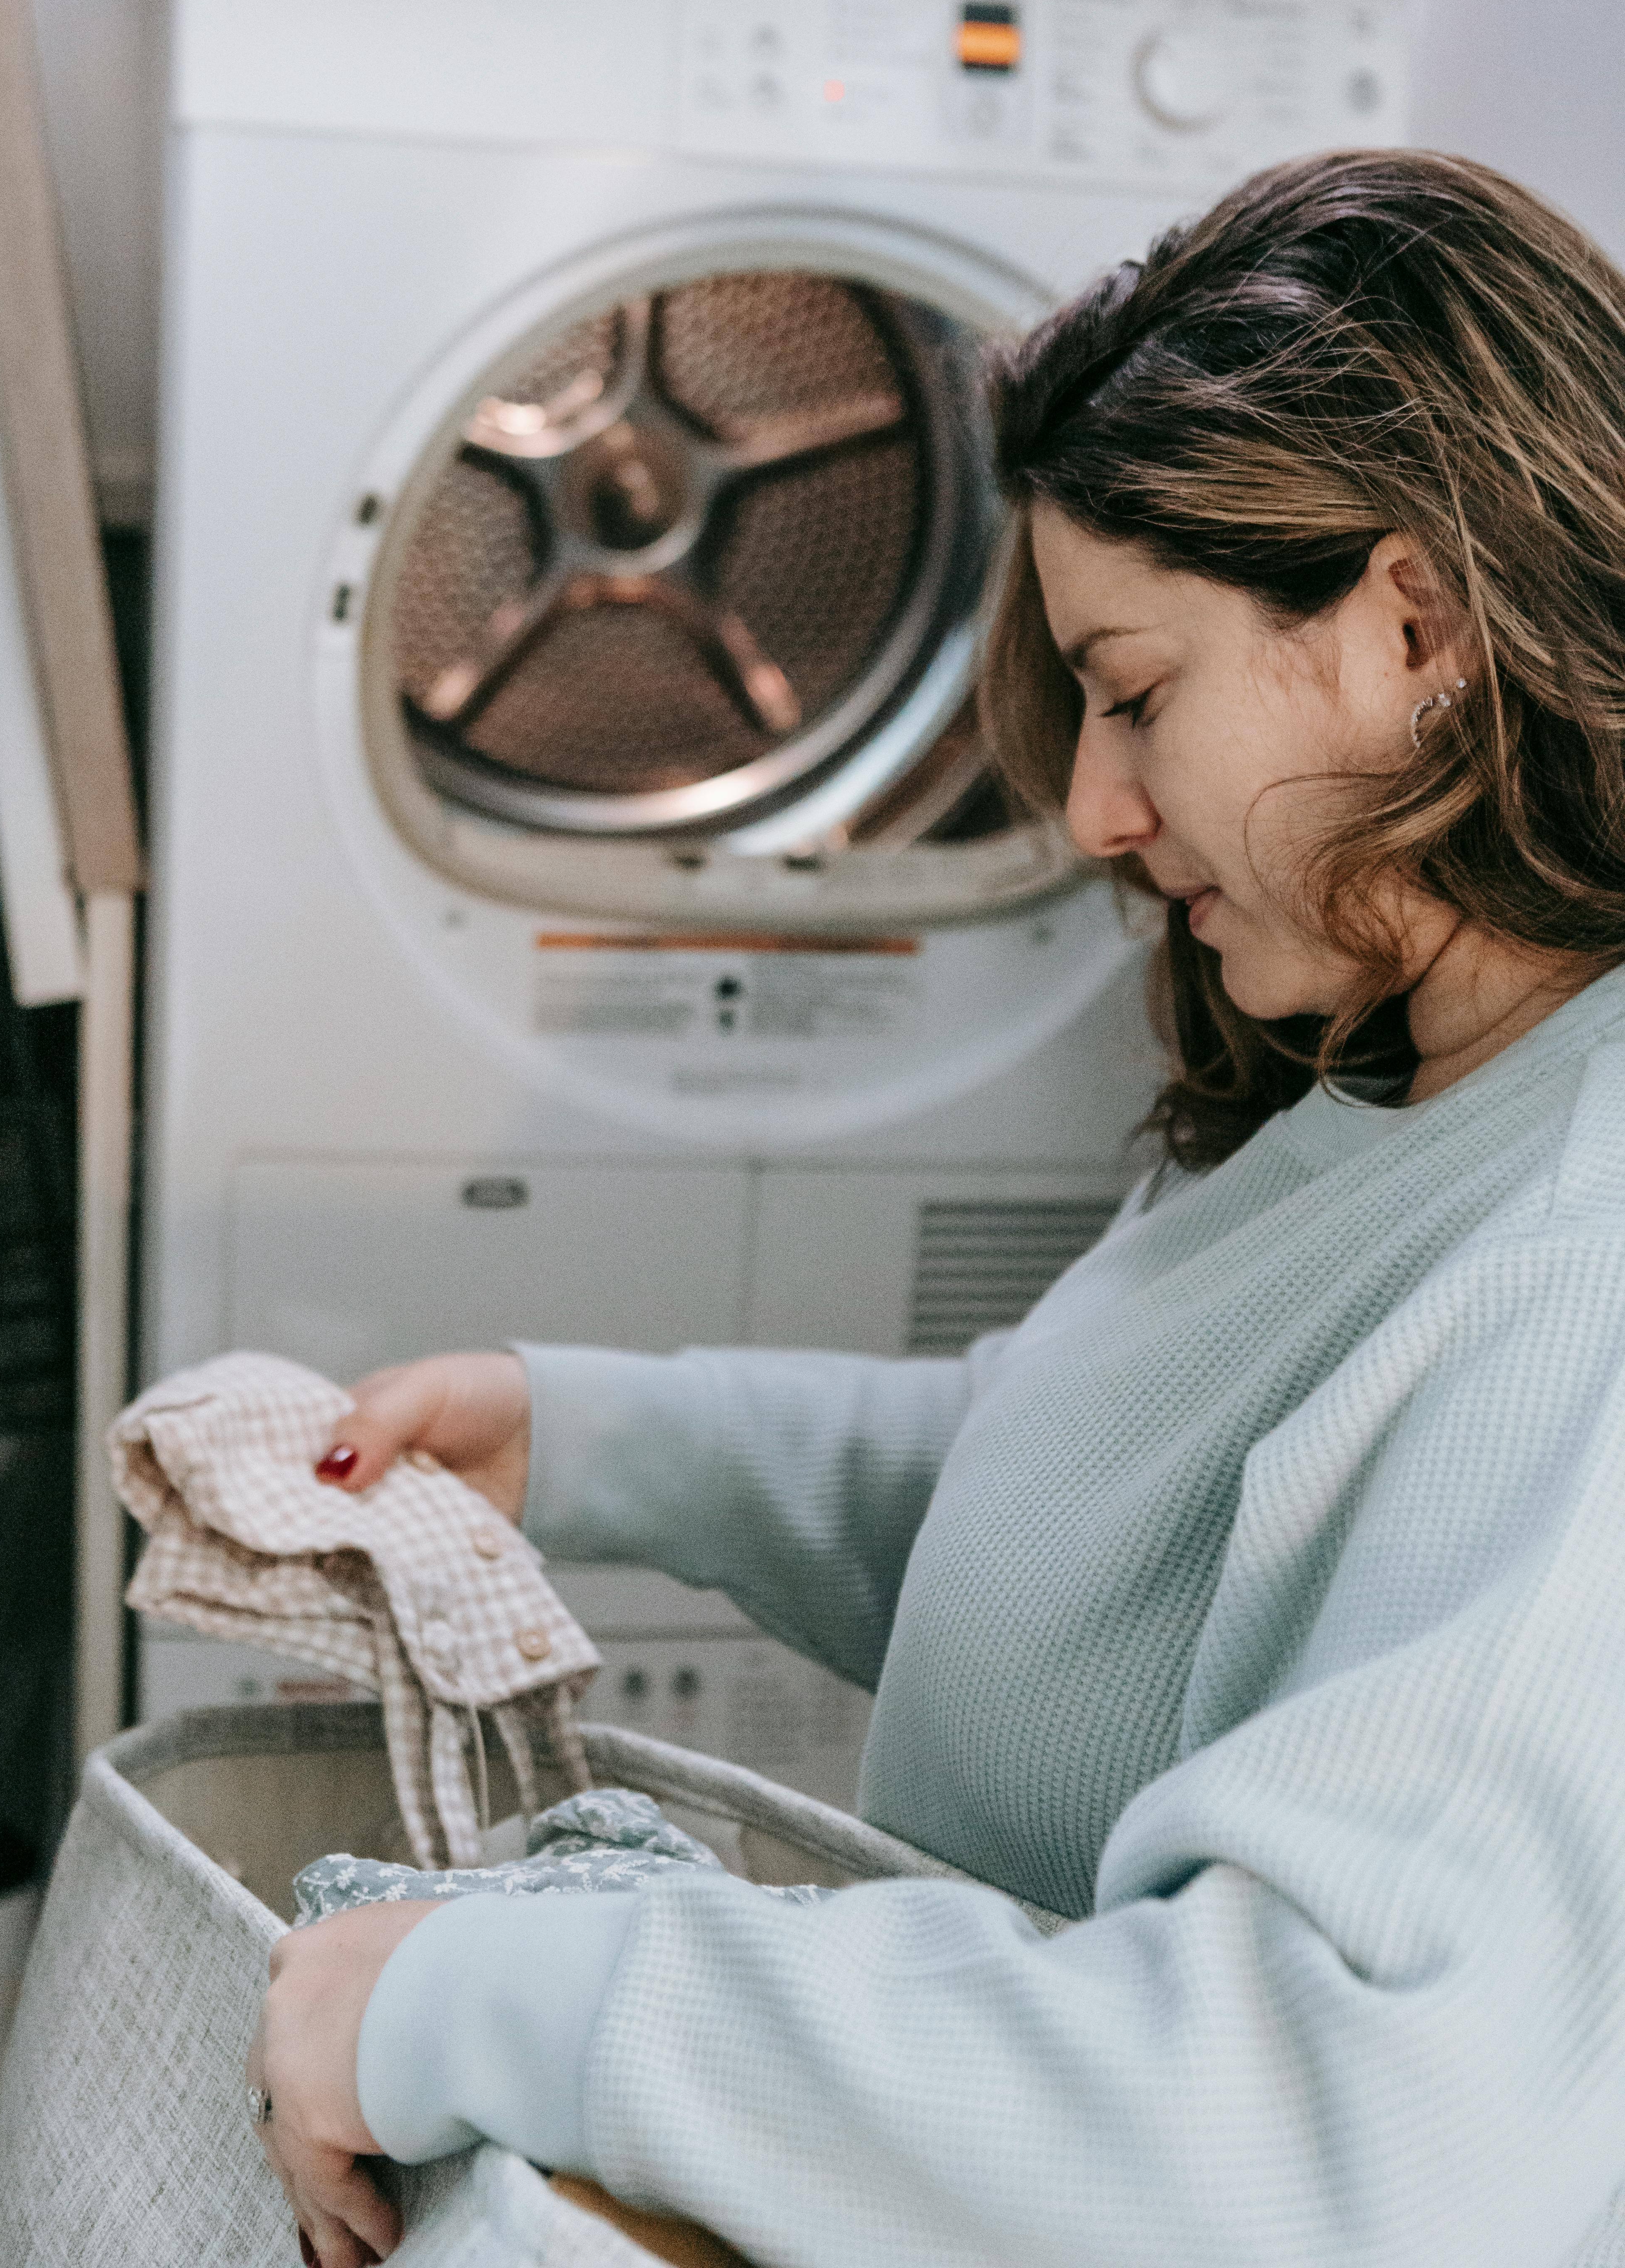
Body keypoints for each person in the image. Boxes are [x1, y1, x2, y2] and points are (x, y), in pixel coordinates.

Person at [247, 150, 1625, 2268]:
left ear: (1415, 628)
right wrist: (583, 1433)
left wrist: (480, 2002)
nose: (1089, 804)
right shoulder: (1393, 1070)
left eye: (1135, 690)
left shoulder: (1573, 1253)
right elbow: (1111, 1531)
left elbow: (1342, 2128)